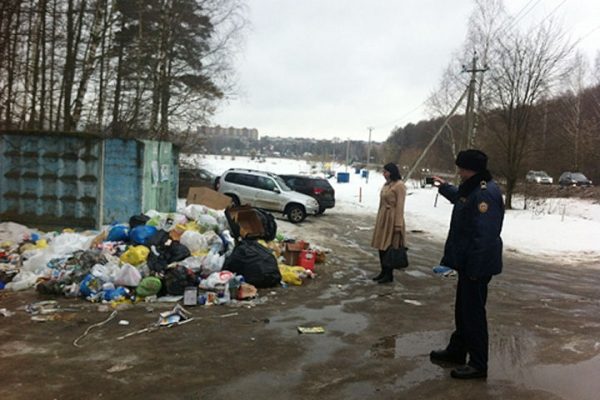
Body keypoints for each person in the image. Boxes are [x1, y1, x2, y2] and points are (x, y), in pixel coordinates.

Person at [429, 149, 504, 379]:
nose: (458, 171)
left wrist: (475, 269)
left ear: (469, 168)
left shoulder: (484, 194)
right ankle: (457, 351)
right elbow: (461, 200)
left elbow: (485, 236)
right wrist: (443, 187)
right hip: (468, 262)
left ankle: (479, 364)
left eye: (460, 167)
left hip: (477, 266)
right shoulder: (473, 188)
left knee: (473, 314)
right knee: (463, 310)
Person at [370, 162, 406, 284]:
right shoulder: (386, 185)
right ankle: (383, 271)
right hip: (383, 217)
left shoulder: (399, 185)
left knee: (389, 247)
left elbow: (400, 206)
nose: (383, 174)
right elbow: (382, 202)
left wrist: (398, 224)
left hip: (393, 218)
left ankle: (389, 274)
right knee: (381, 246)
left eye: (385, 171)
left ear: (391, 172)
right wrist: (379, 218)